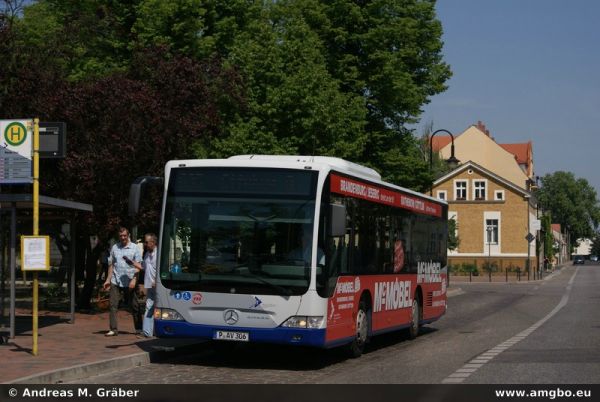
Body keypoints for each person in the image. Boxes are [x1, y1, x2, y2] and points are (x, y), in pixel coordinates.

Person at [103, 227, 142, 336]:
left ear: (128, 235)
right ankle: (113, 329)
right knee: (113, 305)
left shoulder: (134, 248)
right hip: (116, 280)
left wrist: (134, 279)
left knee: (134, 305)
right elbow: (111, 264)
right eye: (121, 236)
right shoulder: (115, 247)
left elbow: (139, 266)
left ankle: (139, 328)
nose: (123, 238)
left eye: (125, 235)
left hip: (130, 280)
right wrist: (108, 279)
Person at [141, 233, 158, 338]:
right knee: (149, 307)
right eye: (145, 242)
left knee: (159, 309)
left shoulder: (160, 253)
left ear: (153, 242)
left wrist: (157, 280)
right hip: (150, 287)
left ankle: (156, 331)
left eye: (147, 242)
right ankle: (147, 332)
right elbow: (143, 266)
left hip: (159, 286)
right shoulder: (147, 254)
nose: (145, 244)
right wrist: (132, 262)